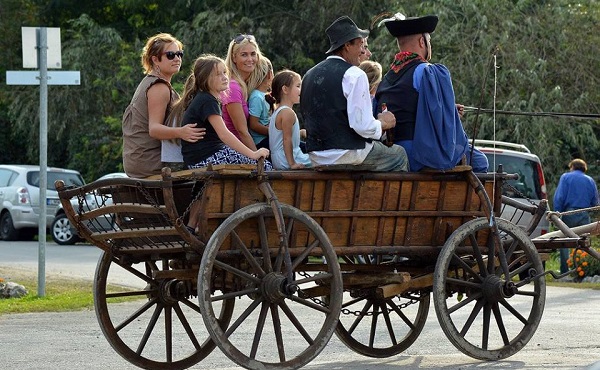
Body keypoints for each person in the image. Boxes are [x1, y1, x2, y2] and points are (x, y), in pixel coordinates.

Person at [375, 13, 488, 173]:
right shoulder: (427, 71)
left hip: (393, 149)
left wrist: (449, 110)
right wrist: (450, 115)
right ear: (422, 42)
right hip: (420, 152)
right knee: (479, 161)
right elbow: (442, 123)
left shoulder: (386, 79)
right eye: (429, 41)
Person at [300, 16, 409, 172]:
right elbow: (362, 126)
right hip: (348, 154)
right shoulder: (355, 74)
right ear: (347, 45)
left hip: (316, 156)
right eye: (360, 45)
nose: (363, 51)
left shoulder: (308, 75)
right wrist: (383, 123)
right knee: (399, 155)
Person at [122, 33, 205, 178]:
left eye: (180, 54)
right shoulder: (159, 87)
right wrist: (182, 132)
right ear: (155, 59)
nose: (177, 58)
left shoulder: (150, 82)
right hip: (151, 164)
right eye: (170, 55)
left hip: (139, 161)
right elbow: (154, 130)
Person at [553, 158, 599, 274]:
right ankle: (582, 270)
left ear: (572, 167)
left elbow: (559, 197)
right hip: (585, 214)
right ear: (584, 168)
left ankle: (565, 271)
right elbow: (595, 202)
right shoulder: (590, 180)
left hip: (570, 213)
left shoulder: (566, 177)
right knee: (584, 242)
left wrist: (556, 214)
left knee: (564, 241)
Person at [221, 34, 264, 151]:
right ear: (234, 58)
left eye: (253, 54)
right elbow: (242, 131)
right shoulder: (232, 87)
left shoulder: (247, 85)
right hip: (234, 150)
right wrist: (258, 159)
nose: (250, 59)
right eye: (244, 55)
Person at [268, 70, 311, 170]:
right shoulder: (288, 113)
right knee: (323, 159)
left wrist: (300, 133)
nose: (302, 90)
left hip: (279, 159)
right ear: (285, 89)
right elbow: (287, 139)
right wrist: (292, 164)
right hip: (287, 159)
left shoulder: (279, 111)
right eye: (298, 86)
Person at [248, 57, 274, 150]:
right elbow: (253, 125)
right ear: (270, 74)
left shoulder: (266, 95)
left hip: (270, 138)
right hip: (261, 141)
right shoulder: (257, 97)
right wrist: (273, 133)